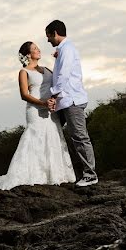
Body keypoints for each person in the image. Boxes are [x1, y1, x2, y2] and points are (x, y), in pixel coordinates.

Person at [0, 41, 76, 191]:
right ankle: (33, 176)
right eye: (35, 49)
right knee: (35, 138)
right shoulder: (24, 72)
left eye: (38, 48)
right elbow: (24, 94)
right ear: (28, 55)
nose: (39, 50)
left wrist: (53, 101)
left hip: (51, 109)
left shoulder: (47, 69)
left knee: (53, 137)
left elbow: (58, 83)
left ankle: (54, 175)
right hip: (35, 110)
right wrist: (43, 103)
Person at [45, 20, 98, 186]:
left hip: (71, 100)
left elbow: (64, 75)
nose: (47, 40)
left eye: (48, 36)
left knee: (80, 137)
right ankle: (54, 172)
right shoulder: (63, 50)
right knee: (52, 133)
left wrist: (53, 95)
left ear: (55, 33)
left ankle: (90, 175)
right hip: (65, 101)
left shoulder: (67, 49)